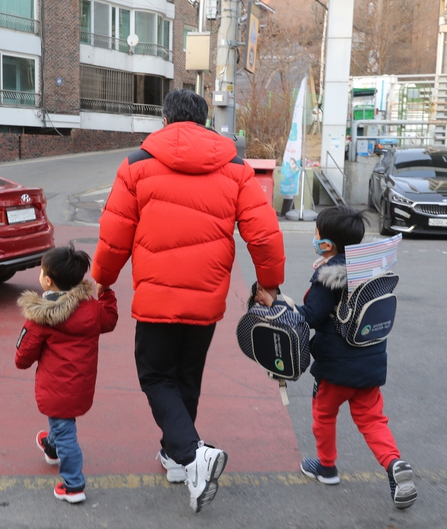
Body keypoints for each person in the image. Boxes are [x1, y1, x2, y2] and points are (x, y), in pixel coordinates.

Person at [91, 89, 285, 513]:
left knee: (157, 377)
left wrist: (102, 280)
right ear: (204, 120)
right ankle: (176, 456)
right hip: (207, 296)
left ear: (165, 118)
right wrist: (269, 283)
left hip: (157, 295)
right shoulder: (235, 168)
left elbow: (114, 233)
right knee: (187, 375)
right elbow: (264, 233)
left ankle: (194, 455)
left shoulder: (137, 165)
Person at [255, 206, 417, 510]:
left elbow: (309, 317)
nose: (314, 237)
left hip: (335, 367)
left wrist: (273, 303)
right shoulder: (369, 267)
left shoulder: (328, 276)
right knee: (372, 420)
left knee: (324, 414)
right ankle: (394, 464)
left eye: (317, 233)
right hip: (370, 360)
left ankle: (326, 467)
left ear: (326, 244)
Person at [15, 246, 118, 504]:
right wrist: (105, 294)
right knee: (61, 424)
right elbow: (109, 321)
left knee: (65, 430)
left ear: (48, 280)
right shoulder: (91, 308)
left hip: (56, 387)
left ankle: (74, 484)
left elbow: (24, 356)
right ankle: (51, 447)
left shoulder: (41, 316)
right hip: (81, 385)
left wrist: (21, 357)